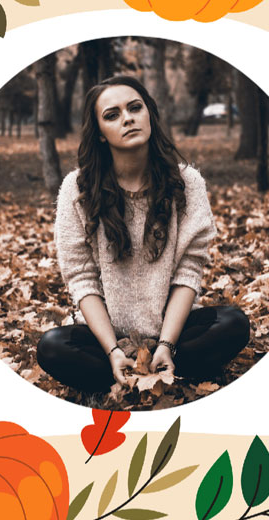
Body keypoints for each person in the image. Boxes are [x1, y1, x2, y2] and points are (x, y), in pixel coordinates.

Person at [36, 74, 250, 403]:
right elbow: (81, 279)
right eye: (112, 115)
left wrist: (166, 344)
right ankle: (126, 370)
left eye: (135, 108)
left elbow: (189, 271)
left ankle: (163, 365)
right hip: (106, 338)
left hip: (176, 333)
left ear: (149, 113)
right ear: (100, 133)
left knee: (234, 323)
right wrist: (113, 350)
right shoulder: (77, 190)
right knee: (51, 347)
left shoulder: (187, 183)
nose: (127, 118)